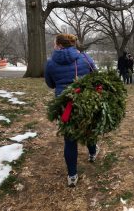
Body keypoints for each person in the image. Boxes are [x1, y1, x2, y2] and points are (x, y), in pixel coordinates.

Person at [44, 34, 99, 187]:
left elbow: (50, 84)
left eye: (55, 43)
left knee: (69, 140)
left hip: (64, 105)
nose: (54, 45)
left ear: (59, 45)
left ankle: (72, 175)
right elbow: (95, 76)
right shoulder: (85, 58)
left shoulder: (50, 63)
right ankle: (93, 153)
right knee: (88, 128)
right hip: (84, 102)